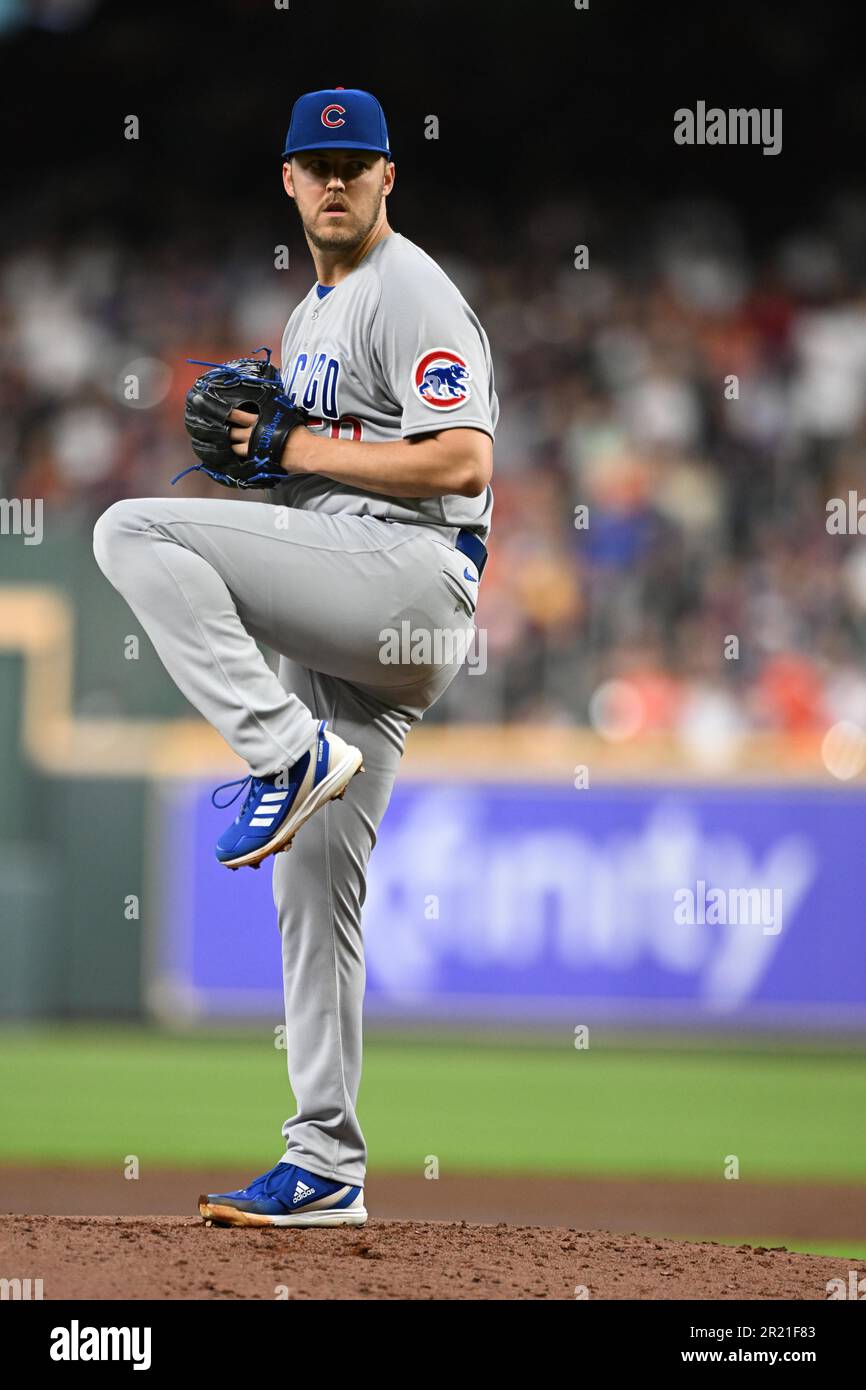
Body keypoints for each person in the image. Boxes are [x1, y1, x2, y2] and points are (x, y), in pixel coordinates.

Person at [93, 86, 498, 1228]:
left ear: (385, 178)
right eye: (315, 166)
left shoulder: (404, 286)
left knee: (132, 527)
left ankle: (280, 751)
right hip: (354, 601)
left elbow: (461, 459)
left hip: (407, 580)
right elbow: (322, 459)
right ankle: (325, 1164)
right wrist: (282, 465)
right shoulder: (311, 316)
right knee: (313, 890)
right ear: (286, 182)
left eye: (355, 163)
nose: (334, 180)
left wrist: (300, 446)